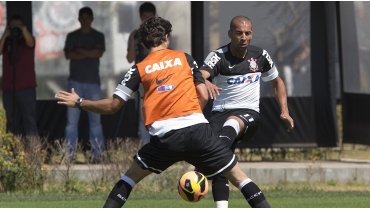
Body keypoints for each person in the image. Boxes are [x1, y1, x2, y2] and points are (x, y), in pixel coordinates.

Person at [56, 16, 271, 208]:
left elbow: (113, 106)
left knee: (129, 178)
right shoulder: (184, 58)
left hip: (165, 137)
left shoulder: (138, 68)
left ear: (143, 41)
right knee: (239, 177)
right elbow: (204, 95)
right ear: (166, 38)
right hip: (198, 132)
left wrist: (80, 102)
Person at [200, 16, 294, 208]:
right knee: (223, 165)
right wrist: (205, 80)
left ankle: (203, 166)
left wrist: (284, 110)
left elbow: (277, 81)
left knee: (230, 127)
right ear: (230, 34)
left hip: (248, 114)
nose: (244, 37)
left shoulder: (259, 55)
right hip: (219, 114)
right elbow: (199, 75)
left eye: (247, 33)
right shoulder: (218, 56)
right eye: (239, 33)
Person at [63, 6, 106, 163]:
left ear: (92, 19)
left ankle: (98, 155)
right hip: (75, 83)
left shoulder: (98, 35)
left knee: (95, 122)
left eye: (88, 17)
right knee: (71, 123)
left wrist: (80, 51)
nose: (86, 20)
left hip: (93, 83)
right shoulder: (72, 35)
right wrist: (89, 52)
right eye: (83, 17)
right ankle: (69, 156)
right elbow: (69, 54)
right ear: (79, 19)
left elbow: (98, 53)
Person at [0, 14, 38, 139]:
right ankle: (12, 155)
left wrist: (22, 29)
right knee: (11, 121)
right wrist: (6, 34)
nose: (15, 29)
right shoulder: (7, 42)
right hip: (9, 89)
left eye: (18, 26)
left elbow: (31, 42)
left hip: (26, 88)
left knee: (29, 121)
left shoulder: (26, 40)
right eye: (13, 26)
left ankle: (34, 155)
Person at [126, 2, 156, 147]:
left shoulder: (159, 35)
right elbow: (130, 58)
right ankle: (145, 146)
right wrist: (133, 40)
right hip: (141, 79)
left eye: (150, 17)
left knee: (159, 112)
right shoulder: (135, 35)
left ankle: (158, 146)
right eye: (145, 17)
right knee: (143, 115)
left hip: (157, 79)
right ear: (140, 17)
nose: (147, 20)